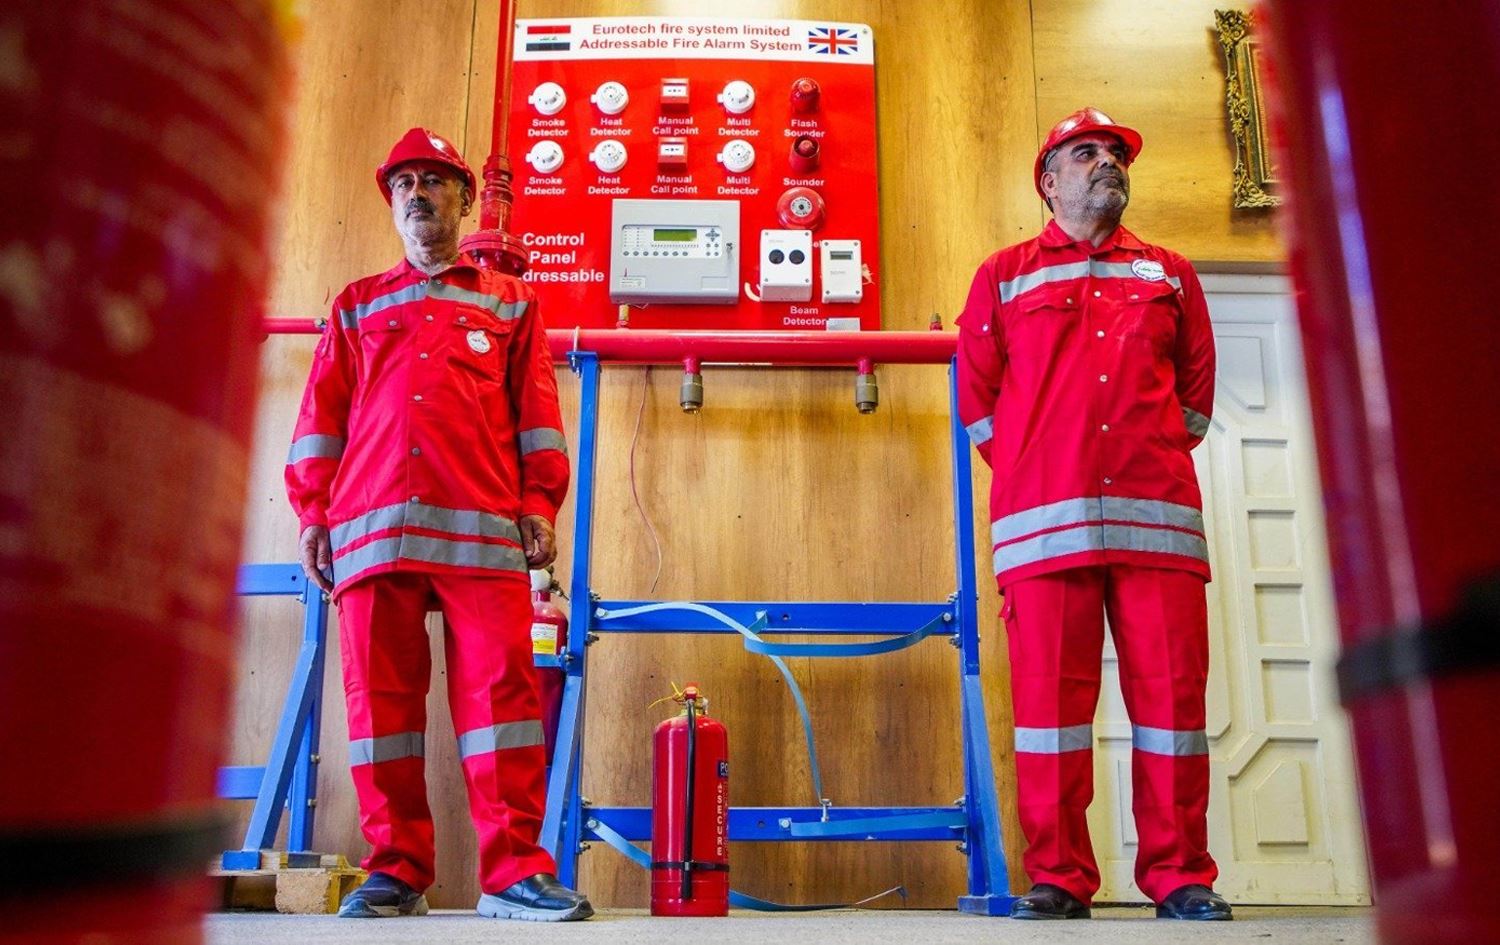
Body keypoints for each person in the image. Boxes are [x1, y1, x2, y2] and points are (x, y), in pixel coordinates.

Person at [285, 127, 590, 922]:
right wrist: (312, 510)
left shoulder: (510, 301)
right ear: (391, 203)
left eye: (433, 181)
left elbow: (538, 416)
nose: (417, 194)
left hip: (482, 526)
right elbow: (320, 416)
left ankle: (514, 872)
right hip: (369, 529)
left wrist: (538, 503)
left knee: (503, 701)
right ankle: (396, 869)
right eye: (403, 184)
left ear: (463, 197)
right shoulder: (356, 304)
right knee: (380, 708)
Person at [956, 107, 1229, 921]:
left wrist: (1138, 462)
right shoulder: (1003, 274)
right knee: (1048, 716)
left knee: (1173, 710)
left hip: (1159, 525)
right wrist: (1045, 468)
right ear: (1049, 180)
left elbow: (1194, 398)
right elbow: (978, 402)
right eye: (1086, 152)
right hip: (1043, 530)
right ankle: (1059, 878)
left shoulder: (1170, 271)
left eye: (1114, 152)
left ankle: (1181, 875)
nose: (1106, 161)